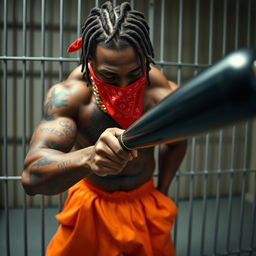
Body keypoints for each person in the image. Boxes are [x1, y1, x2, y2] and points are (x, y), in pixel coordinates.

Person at [22, 2, 187, 255]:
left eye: (133, 74)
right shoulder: (71, 95)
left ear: (145, 59)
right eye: (109, 76)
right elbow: (32, 177)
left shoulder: (161, 94)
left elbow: (177, 142)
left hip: (143, 202)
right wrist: (89, 158)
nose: (123, 86)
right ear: (90, 61)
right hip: (90, 203)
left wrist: (162, 192)